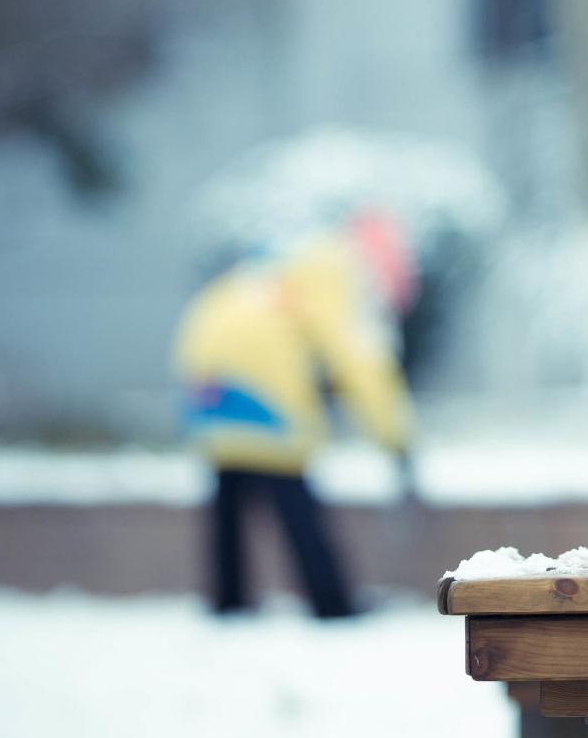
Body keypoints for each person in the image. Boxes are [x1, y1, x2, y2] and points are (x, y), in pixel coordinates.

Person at [174, 209, 417, 618]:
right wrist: (395, 437)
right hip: (263, 380)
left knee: (230, 488)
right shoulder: (335, 273)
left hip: (204, 370)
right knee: (292, 494)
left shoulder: (279, 264)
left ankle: (228, 599)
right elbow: (356, 358)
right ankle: (331, 602)